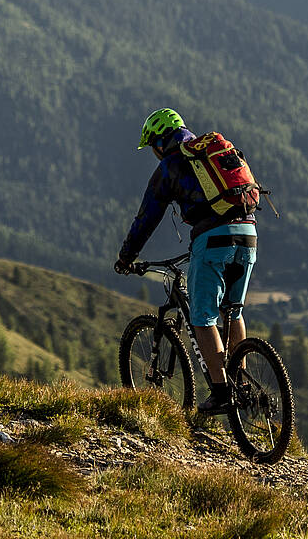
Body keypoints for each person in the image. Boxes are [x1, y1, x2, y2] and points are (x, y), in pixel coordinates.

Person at [114, 107, 258, 416]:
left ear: (158, 142)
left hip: (213, 239)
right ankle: (242, 383)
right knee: (233, 309)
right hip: (249, 234)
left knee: (202, 318)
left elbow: (146, 218)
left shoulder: (169, 165)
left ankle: (221, 392)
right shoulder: (213, 149)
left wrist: (126, 257)